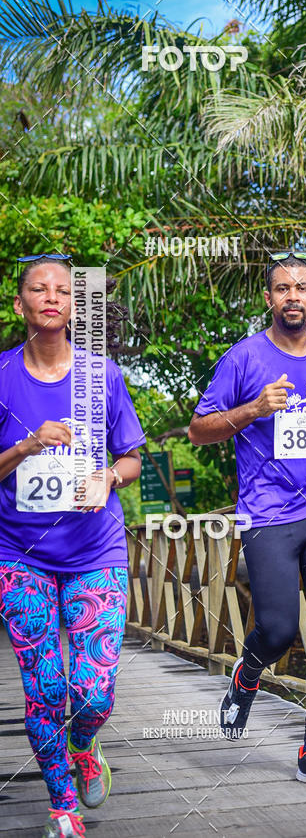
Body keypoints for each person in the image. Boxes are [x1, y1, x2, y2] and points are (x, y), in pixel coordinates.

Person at [188, 250, 306, 790]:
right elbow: (198, 430)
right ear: (269, 299)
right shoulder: (244, 358)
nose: (292, 295)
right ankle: (246, 677)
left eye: (302, 287)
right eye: (282, 287)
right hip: (269, 514)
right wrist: (252, 409)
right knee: (276, 629)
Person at [0, 255, 145, 837]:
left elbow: (132, 457)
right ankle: (62, 805)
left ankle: (84, 743)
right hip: (18, 555)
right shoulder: (3, 374)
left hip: (95, 551)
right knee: (45, 685)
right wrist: (27, 446)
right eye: (40, 288)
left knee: (91, 691)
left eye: (64, 289)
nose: (53, 297)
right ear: (21, 304)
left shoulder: (101, 375)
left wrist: (108, 477)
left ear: (75, 306)